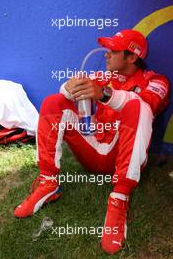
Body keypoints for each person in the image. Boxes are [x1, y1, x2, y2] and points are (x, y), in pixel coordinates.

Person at [14, 29, 170, 254]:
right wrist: (67, 88)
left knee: (138, 107)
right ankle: (48, 183)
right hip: (93, 151)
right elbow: (68, 92)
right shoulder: (103, 76)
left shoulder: (155, 80)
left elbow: (148, 104)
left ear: (132, 56)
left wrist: (105, 95)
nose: (106, 54)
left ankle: (119, 198)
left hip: (121, 158)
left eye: (113, 51)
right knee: (53, 101)